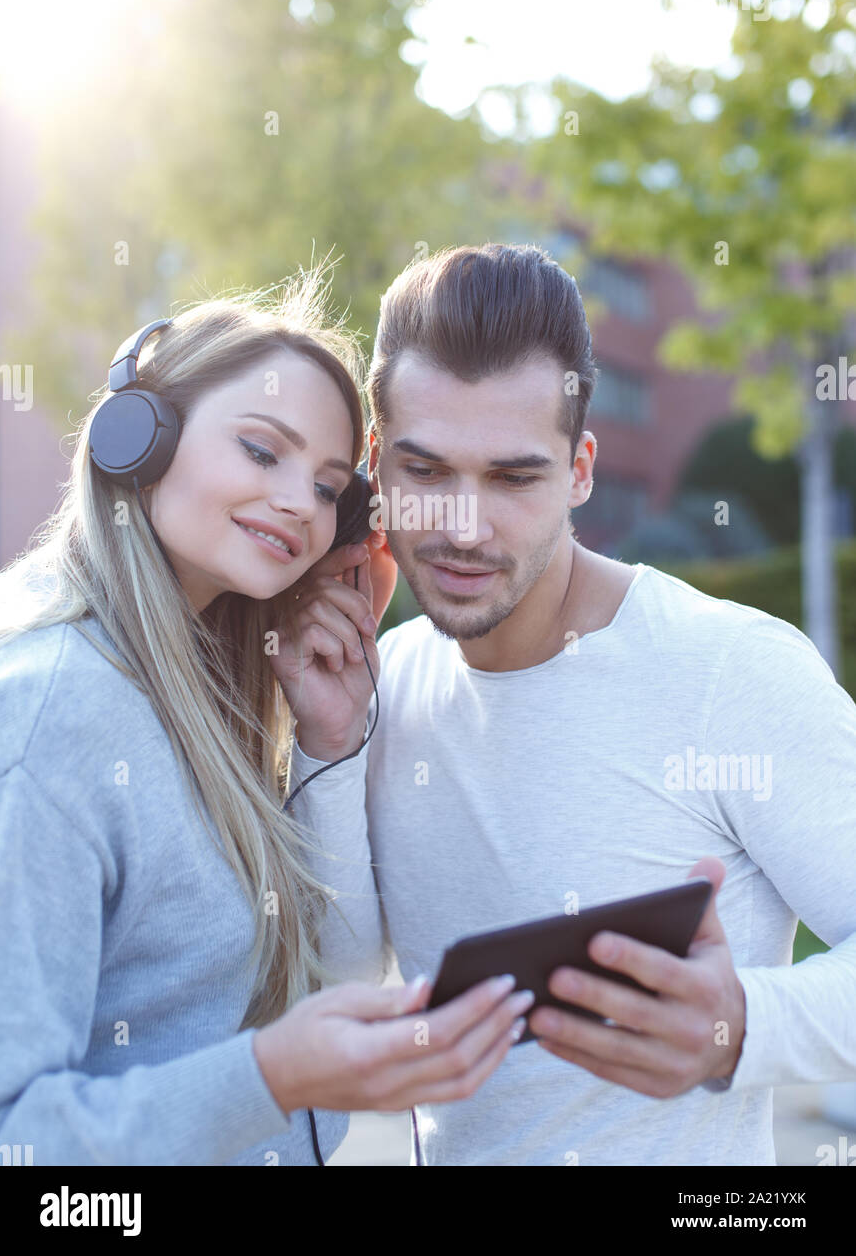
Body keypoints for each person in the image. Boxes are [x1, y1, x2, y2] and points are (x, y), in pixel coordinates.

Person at [275, 243, 856, 1166]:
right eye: (426, 473)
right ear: (377, 468)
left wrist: (743, 1023)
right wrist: (329, 748)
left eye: (514, 478)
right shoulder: (378, 684)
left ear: (581, 469)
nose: (464, 527)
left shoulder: (730, 672)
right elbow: (343, 984)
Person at [0, 269, 530, 1167]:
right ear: (141, 439)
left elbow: (316, 984)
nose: (297, 504)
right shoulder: (52, 714)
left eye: (328, 489)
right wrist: (270, 1077)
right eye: (260, 450)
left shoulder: (201, 694)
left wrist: (327, 743)